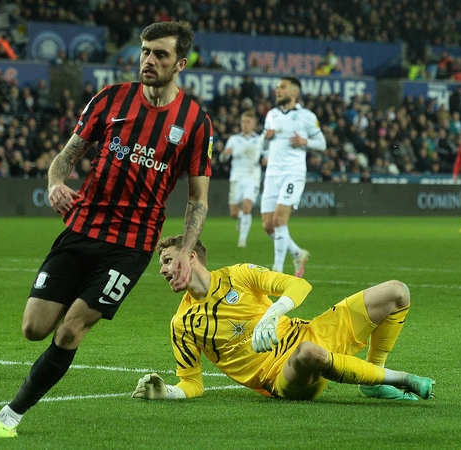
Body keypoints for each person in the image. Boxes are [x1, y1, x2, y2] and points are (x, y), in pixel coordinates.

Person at [0, 20, 213, 438]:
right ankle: (68, 314)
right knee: (34, 328)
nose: (149, 60)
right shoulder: (110, 99)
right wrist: (55, 183)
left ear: (180, 63)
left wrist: (185, 250)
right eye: (145, 51)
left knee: (71, 329)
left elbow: (197, 199)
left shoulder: (195, 122)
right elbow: (67, 155)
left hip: (131, 246)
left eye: (160, 54)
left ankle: (12, 413)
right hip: (82, 229)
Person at [131, 235, 435, 402]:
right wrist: (169, 392)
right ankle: (401, 378)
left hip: (313, 331)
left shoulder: (239, 275)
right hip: (284, 375)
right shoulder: (182, 323)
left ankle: (374, 381)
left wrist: (273, 312)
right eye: (162, 265)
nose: (163, 270)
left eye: (168, 261)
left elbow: (299, 285)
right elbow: (191, 382)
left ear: (191, 256)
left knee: (397, 292)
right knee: (309, 353)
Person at [261, 76, 326, 276]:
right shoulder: (271, 115)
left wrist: (305, 142)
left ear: (294, 92)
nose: (278, 90)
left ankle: (277, 270)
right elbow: (264, 147)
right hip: (272, 174)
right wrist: (266, 140)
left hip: (293, 172)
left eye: (283, 87)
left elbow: (322, 143)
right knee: (268, 225)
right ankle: (298, 253)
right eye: (277, 87)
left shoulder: (306, 116)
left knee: (279, 220)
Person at [219, 110, 263, 248]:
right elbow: (222, 158)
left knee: (247, 207)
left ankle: (242, 240)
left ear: (254, 124)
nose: (245, 124)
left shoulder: (260, 140)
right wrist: (225, 155)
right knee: (234, 212)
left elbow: (268, 155)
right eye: (243, 121)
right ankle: (241, 219)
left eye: (248, 122)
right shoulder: (233, 139)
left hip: (253, 177)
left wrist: (266, 160)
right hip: (236, 178)